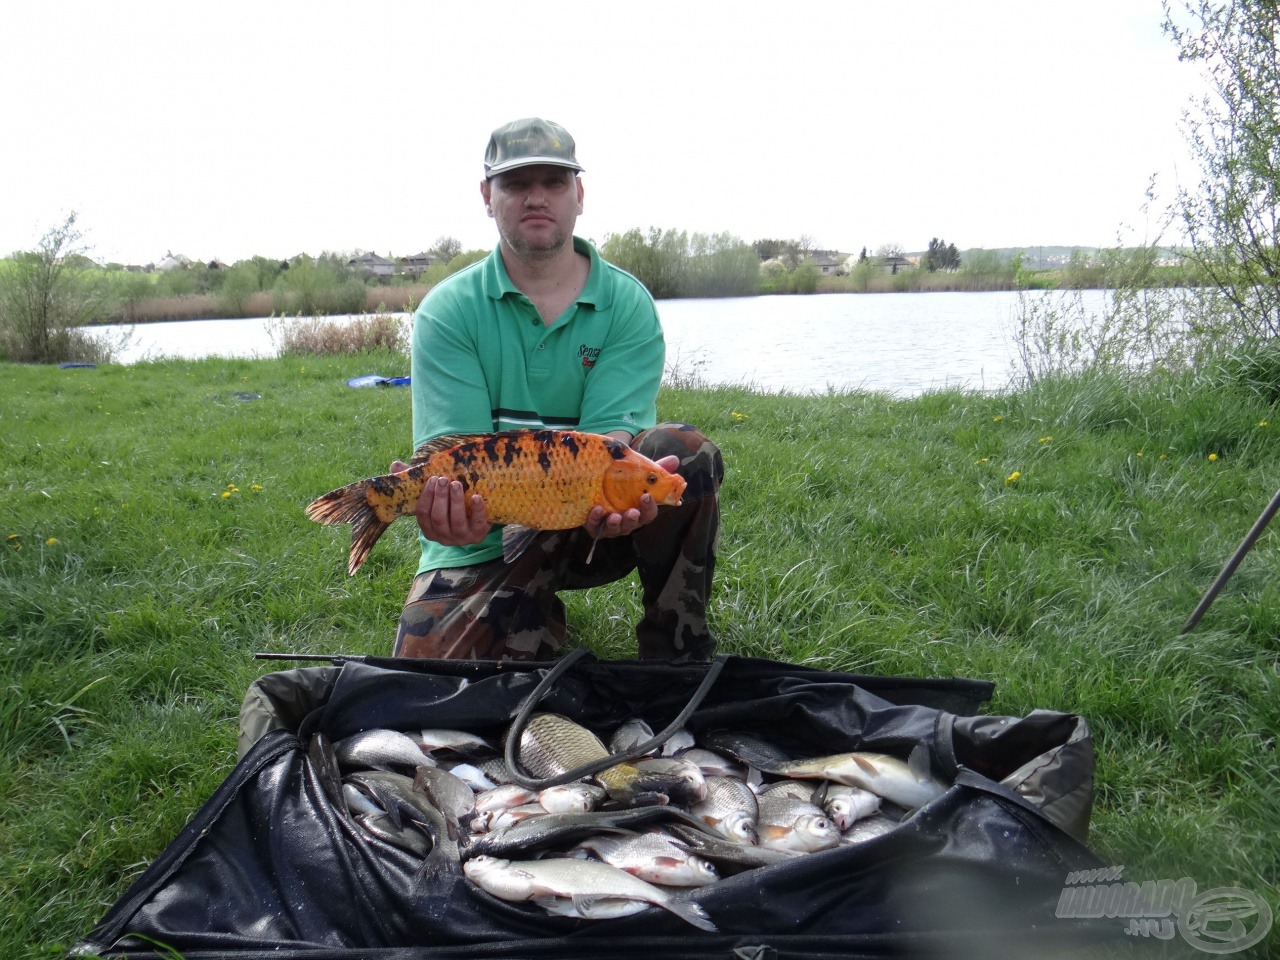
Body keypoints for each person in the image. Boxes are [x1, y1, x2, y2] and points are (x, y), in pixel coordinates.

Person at [393, 117, 723, 664]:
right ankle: (531, 613)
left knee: (684, 454)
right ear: (487, 197)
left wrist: (616, 497)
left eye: (553, 181)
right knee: (423, 677)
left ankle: (675, 656)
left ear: (579, 195)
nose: (536, 198)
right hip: (484, 530)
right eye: (517, 184)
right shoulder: (447, 312)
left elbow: (609, 442)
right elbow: (450, 456)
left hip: (597, 525)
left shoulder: (626, 304)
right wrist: (445, 512)